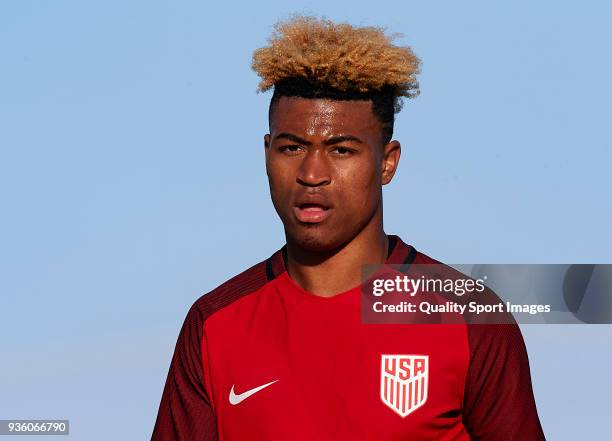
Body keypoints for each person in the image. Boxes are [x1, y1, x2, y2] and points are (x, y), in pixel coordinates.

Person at [151, 15, 545, 440]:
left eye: (341, 149)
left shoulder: (470, 319)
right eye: (291, 147)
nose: (312, 173)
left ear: (387, 162)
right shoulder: (214, 325)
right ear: (267, 153)